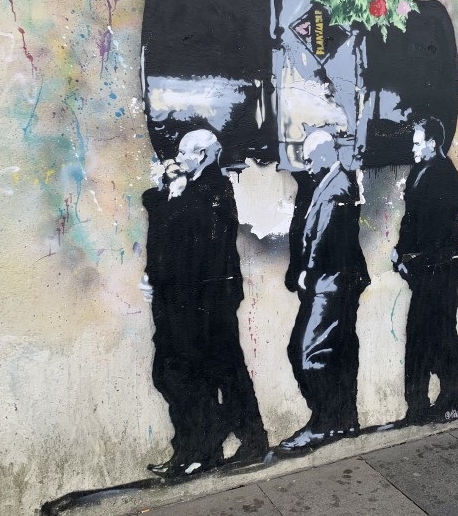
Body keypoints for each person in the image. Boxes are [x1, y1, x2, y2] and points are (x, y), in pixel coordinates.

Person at [140, 129, 268, 478]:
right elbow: (155, 208)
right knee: (189, 373)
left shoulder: (214, 192)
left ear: (206, 156)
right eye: (178, 153)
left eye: (185, 154)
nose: (177, 159)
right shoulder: (185, 190)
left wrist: (174, 193)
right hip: (182, 300)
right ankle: (211, 445)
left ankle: (204, 449)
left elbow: (196, 245)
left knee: (196, 375)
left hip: (206, 302)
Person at [279, 131, 370, 452]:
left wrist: (308, 272)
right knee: (337, 351)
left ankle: (324, 422)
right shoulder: (329, 182)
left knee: (307, 352)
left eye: (310, 156)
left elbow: (324, 236)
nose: (306, 163)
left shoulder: (338, 186)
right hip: (334, 280)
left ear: (325, 154)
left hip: (332, 282)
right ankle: (342, 420)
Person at [392, 118, 458, 425]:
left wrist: (410, 255)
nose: (412, 146)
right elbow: (411, 221)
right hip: (427, 268)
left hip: (441, 268)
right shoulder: (421, 172)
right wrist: (401, 251)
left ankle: (455, 400)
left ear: (432, 143)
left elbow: (435, 228)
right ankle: (420, 404)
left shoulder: (443, 174)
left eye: (417, 141)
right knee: (421, 336)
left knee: (439, 335)